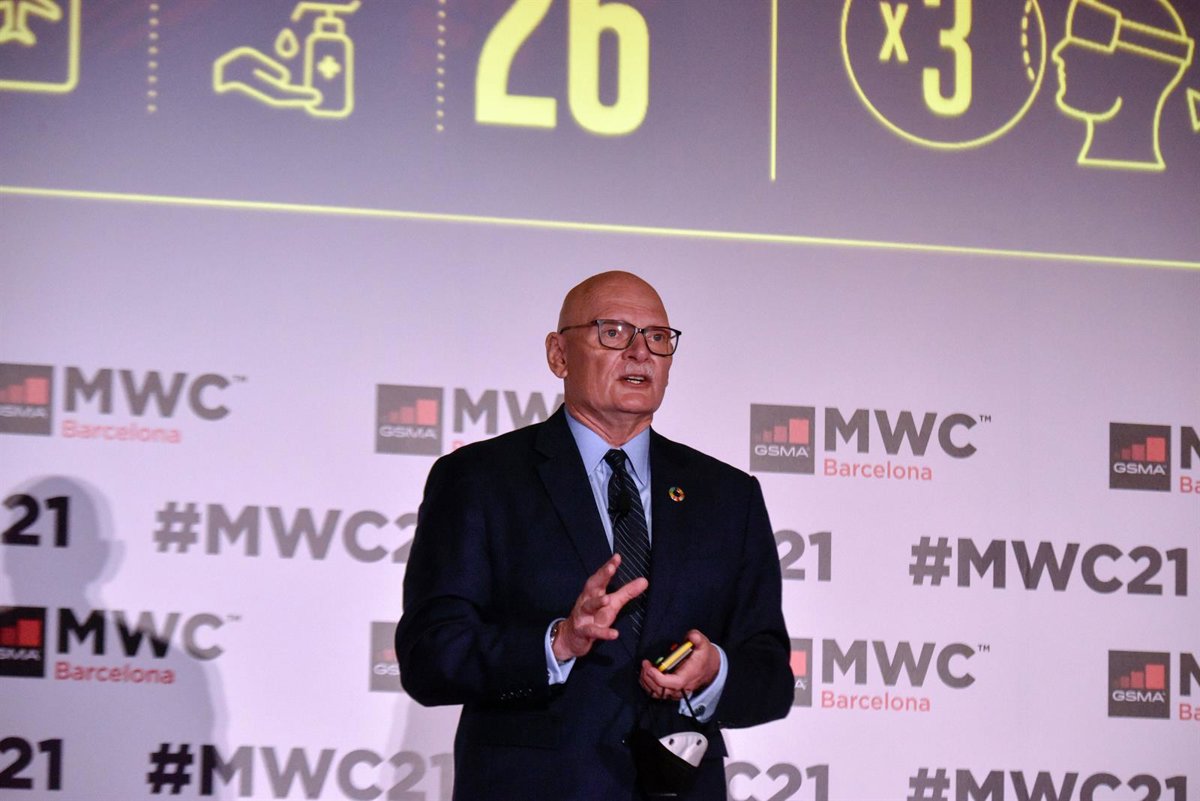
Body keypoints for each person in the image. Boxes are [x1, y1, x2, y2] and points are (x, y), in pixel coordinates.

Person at [395, 271, 792, 800]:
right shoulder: (480, 479)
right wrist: (557, 643)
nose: (640, 352)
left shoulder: (727, 496)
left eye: (657, 337)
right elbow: (429, 656)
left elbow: (770, 678)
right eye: (613, 332)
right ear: (559, 355)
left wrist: (714, 671)